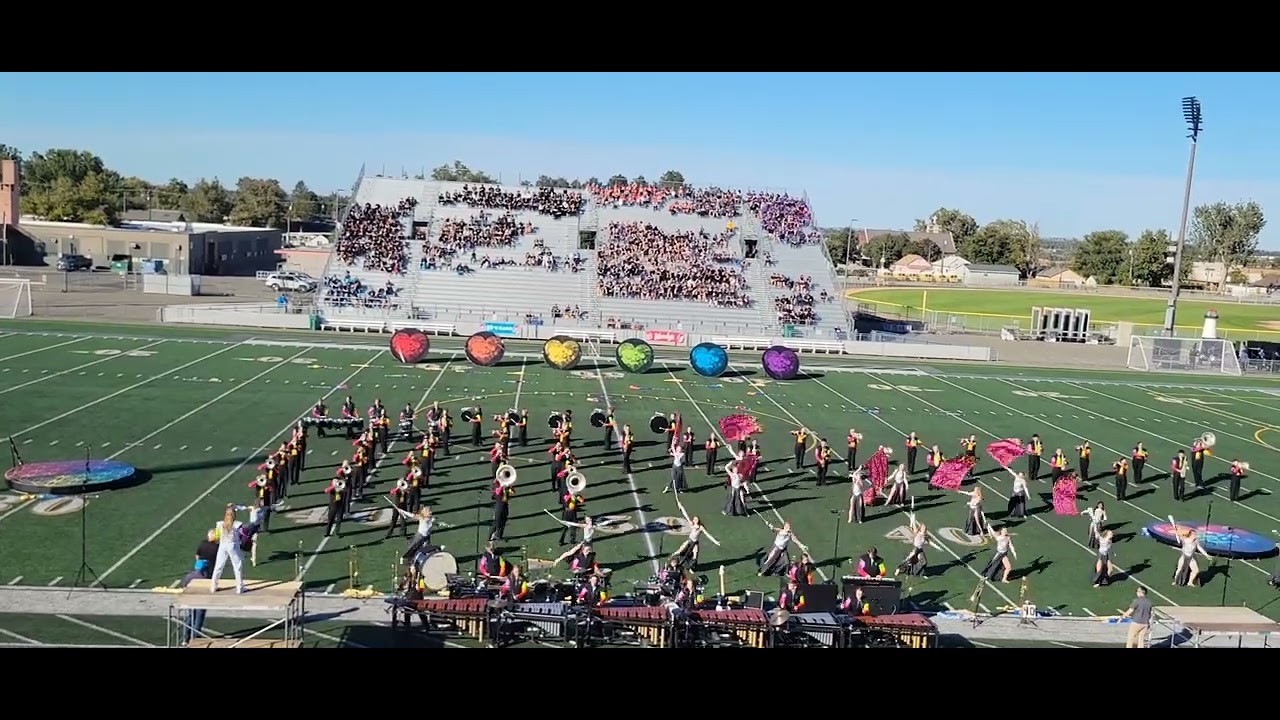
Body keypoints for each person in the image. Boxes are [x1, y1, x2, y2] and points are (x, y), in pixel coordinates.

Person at [210, 505, 246, 594]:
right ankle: (239, 587)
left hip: (223, 545)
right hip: (233, 545)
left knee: (218, 566)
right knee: (237, 566)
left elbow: (217, 536)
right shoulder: (237, 524)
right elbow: (242, 534)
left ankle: (213, 586)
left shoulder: (220, 524)